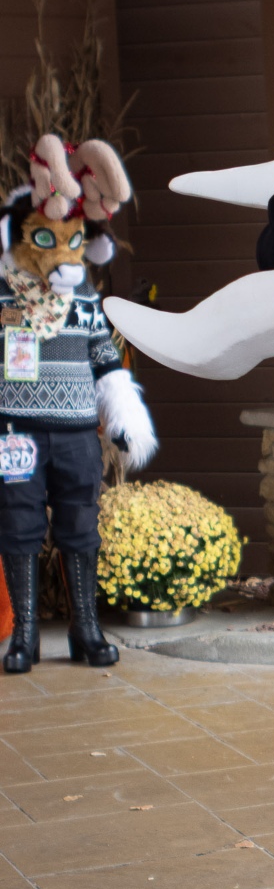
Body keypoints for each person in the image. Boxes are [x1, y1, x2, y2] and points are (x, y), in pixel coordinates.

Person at [1, 135, 155, 674]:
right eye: (46, 238)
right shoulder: (2, 293)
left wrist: (123, 414)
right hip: (15, 433)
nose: (62, 255)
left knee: (80, 526)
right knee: (17, 525)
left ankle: (84, 628)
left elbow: (104, 359)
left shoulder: (85, 297)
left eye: (71, 241)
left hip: (76, 433)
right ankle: (24, 635)